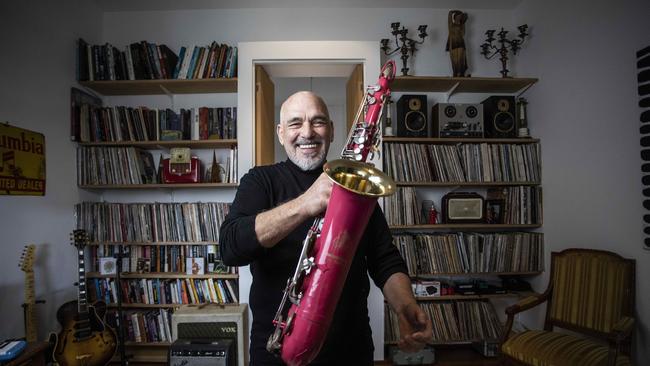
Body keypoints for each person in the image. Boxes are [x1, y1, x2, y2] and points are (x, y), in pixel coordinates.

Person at [219, 91, 433, 365]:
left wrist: (405, 306)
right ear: (281, 133)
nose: (307, 132)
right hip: (275, 352)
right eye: (296, 123)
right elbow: (230, 248)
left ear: (331, 131)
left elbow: (385, 260)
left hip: (350, 351)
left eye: (318, 121)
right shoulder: (260, 181)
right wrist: (306, 203)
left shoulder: (357, 187)